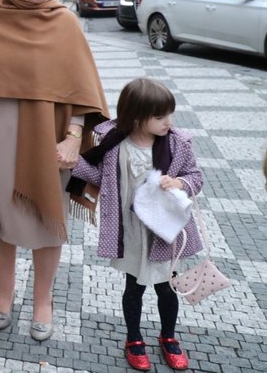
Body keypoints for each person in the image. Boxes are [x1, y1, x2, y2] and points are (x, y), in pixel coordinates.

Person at [0, 0, 108, 342]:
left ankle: (43, 300)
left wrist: (73, 137)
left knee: (48, 218)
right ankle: (5, 292)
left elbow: (82, 84)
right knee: (1, 217)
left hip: (52, 136)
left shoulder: (62, 20)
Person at [68, 78, 203, 371]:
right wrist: (69, 162)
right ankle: (134, 338)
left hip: (163, 232)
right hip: (130, 230)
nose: (168, 121)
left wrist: (179, 181)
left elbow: (196, 176)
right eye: (159, 116)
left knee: (167, 288)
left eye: (170, 113)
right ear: (137, 117)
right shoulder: (115, 142)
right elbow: (98, 175)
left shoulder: (177, 143)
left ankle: (168, 337)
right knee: (134, 287)